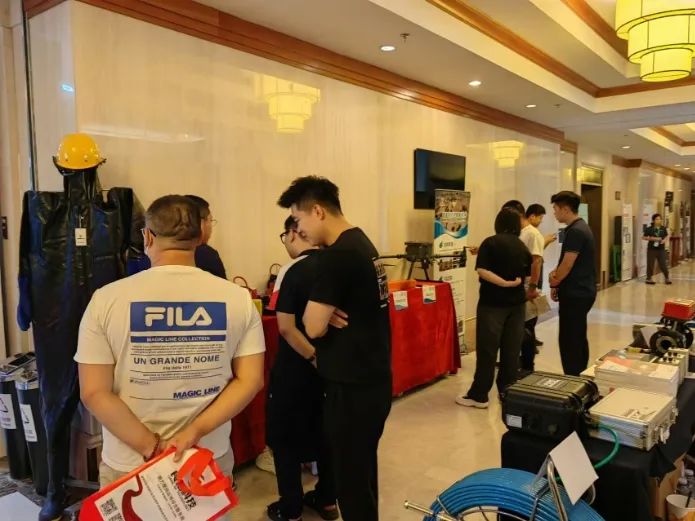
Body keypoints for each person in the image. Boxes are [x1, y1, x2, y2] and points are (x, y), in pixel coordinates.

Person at [74, 195, 265, 519]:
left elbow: (93, 391)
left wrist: (151, 446)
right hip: (204, 459)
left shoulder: (106, 300)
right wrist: (194, 431)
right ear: (200, 236)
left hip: (130, 464)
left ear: (148, 237)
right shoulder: (238, 300)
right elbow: (251, 380)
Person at [277, 176, 391, 521]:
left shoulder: (337, 255)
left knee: (351, 482)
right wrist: (327, 312)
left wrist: (320, 315)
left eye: (298, 219)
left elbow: (311, 326)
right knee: (363, 473)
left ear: (317, 211)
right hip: (373, 381)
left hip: (350, 386)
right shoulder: (362, 242)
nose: (298, 229)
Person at [266, 216, 338, 521]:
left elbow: (285, 326)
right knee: (328, 432)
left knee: (284, 438)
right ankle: (327, 500)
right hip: (335, 367)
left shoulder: (292, 270)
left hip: (297, 368)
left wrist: (312, 357)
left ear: (294, 233)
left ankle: (291, 507)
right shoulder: (339, 266)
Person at [456, 208, 531, 408]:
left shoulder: (490, 242)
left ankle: (479, 395)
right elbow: (527, 274)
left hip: (492, 304)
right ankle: (507, 392)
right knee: (511, 350)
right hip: (517, 305)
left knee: (487, 350)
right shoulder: (521, 246)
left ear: (498, 223)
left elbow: (482, 270)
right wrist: (515, 285)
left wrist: (503, 283)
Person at [548, 191, 596, 376]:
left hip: (576, 292)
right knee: (577, 335)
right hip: (582, 290)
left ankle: (573, 376)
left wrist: (555, 281)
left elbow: (568, 263)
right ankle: (580, 374)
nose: (554, 213)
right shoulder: (580, 227)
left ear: (565, 209)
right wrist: (557, 278)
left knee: (570, 339)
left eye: (555, 208)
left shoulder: (576, 231)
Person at [138, 194, 227, 278]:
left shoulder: (130, 285)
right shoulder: (209, 257)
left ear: (148, 237)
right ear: (200, 235)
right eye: (210, 220)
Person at [502, 201, 544, 374]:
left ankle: (527, 365)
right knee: (516, 326)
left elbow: (536, 261)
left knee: (527, 327)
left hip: (527, 286)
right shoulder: (517, 233)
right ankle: (514, 361)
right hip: (515, 285)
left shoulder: (532, 234)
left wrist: (532, 287)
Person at [525, 203, 555, 348]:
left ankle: (531, 336)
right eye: (540, 217)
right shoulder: (531, 233)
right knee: (530, 306)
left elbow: (538, 253)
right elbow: (534, 257)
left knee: (534, 305)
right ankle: (528, 340)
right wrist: (546, 240)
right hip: (531, 274)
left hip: (536, 272)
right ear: (532, 216)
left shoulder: (533, 232)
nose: (541, 221)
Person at [643, 213, 672, 285]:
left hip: (661, 249)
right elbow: (644, 237)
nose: (659, 220)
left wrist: (664, 240)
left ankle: (667, 278)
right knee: (650, 264)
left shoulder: (663, 228)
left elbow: (666, 236)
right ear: (653, 220)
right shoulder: (649, 229)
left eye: (659, 219)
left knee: (663, 264)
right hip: (651, 249)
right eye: (657, 219)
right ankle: (649, 278)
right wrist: (652, 238)